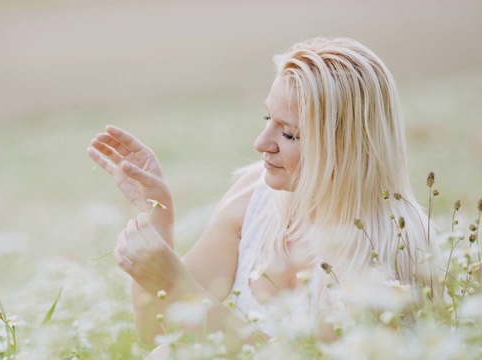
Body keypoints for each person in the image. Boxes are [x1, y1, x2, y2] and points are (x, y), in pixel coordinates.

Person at [87, 37, 437, 354]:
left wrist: (178, 284)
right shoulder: (253, 197)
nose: (261, 143)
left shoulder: (391, 244)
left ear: (345, 146)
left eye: (288, 134)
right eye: (268, 117)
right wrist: (157, 213)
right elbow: (156, 332)